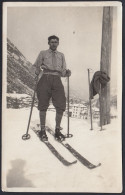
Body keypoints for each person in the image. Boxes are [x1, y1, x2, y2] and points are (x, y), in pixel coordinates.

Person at [33, 35, 71, 141]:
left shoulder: (61, 55)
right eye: (52, 42)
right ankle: (42, 130)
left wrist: (67, 73)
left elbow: (63, 71)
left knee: (61, 104)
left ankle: (57, 130)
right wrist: (36, 72)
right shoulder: (43, 53)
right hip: (45, 78)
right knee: (43, 104)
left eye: (56, 42)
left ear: (58, 43)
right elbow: (36, 66)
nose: (54, 43)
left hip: (57, 80)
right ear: (48, 43)